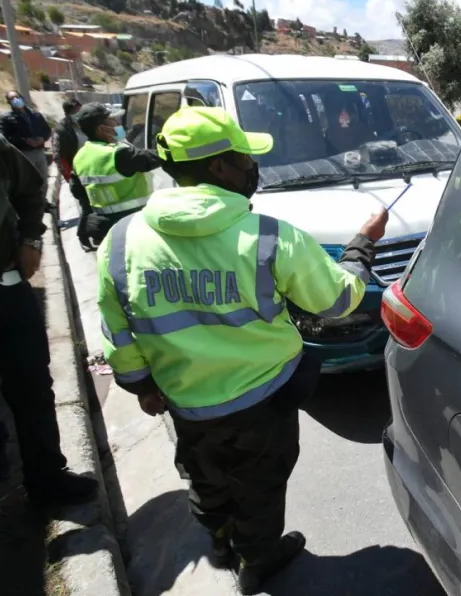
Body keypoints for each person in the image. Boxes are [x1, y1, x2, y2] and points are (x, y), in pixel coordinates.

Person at [95, 107, 389, 595]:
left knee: (205, 479)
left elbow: (117, 329)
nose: (253, 166)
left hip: (184, 401)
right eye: (245, 157)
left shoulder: (121, 241)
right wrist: (362, 247)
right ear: (218, 168)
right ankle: (261, 560)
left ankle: (220, 541)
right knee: (262, 484)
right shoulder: (270, 236)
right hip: (261, 402)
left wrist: (140, 385)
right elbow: (338, 301)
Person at [0, 128, 99, 507]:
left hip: (5, 287)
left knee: (32, 385)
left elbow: (29, 192)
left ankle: (47, 477)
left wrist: (30, 240)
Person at [73, 103, 162, 247]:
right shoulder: (117, 154)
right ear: (102, 128)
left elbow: (77, 192)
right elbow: (152, 158)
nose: (117, 124)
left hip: (104, 228)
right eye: (113, 121)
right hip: (132, 225)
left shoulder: (80, 156)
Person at [54, 98, 95, 250]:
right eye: (76, 111)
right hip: (77, 171)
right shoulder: (62, 129)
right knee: (86, 206)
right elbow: (58, 155)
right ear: (69, 113)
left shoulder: (87, 124)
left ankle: (96, 233)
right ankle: (83, 237)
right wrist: (68, 175)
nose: (79, 113)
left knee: (95, 205)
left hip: (94, 167)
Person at [2, 90, 52, 181]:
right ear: (9, 102)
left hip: (40, 151)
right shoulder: (7, 119)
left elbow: (47, 130)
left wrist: (43, 138)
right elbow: (7, 137)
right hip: (24, 154)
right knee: (28, 179)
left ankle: (43, 195)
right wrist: (25, 140)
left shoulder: (36, 115)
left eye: (17, 97)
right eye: (12, 99)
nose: (16, 100)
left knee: (43, 177)